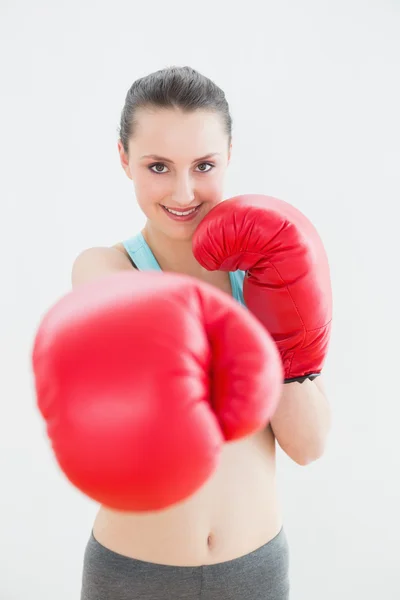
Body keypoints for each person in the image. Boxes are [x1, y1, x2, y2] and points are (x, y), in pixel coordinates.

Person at [37, 66, 332, 599]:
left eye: (203, 165)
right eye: (158, 166)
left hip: (255, 570)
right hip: (134, 574)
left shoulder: (265, 276)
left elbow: (307, 445)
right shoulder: (105, 267)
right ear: (124, 159)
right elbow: (144, 337)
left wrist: (292, 332)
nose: (183, 191)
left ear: (230, 155)